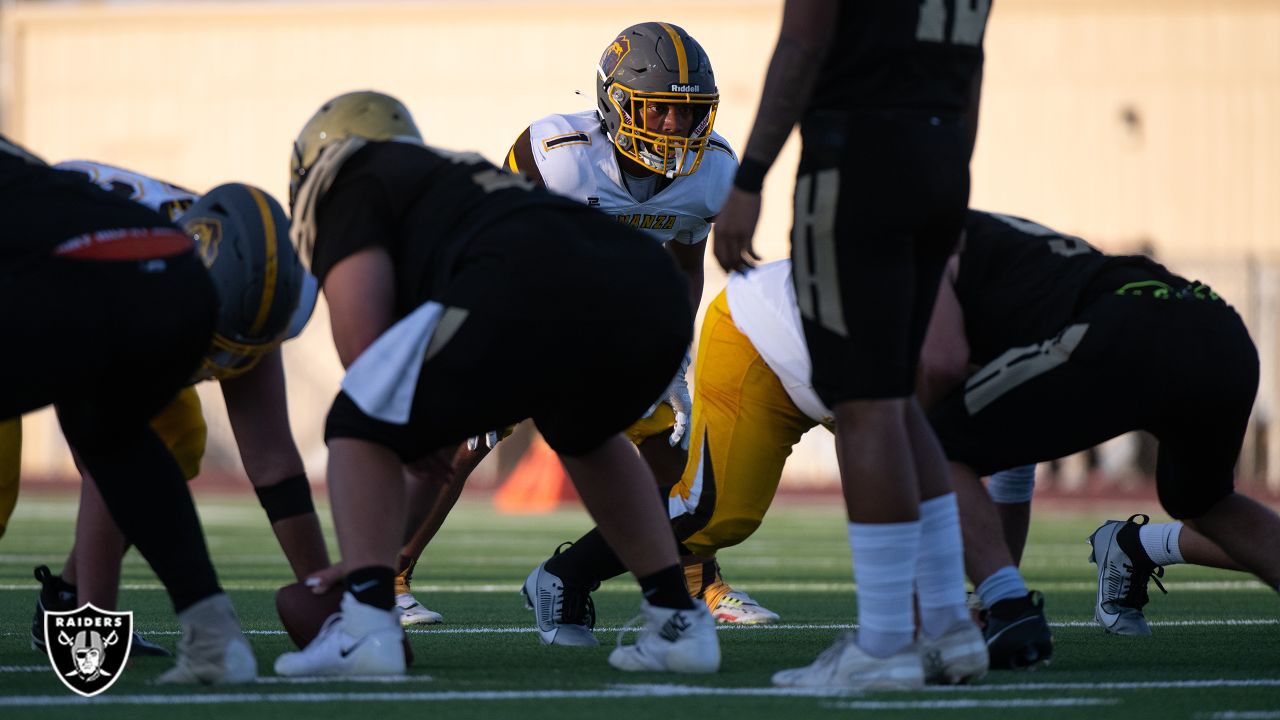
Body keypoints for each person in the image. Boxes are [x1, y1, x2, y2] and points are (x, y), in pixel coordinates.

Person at [273, 90, 719, 677]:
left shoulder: (355, 178)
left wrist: (410, 436)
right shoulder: (454, 171)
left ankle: (363, 628)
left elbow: (369, 358)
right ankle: (676, 622)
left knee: (359, 419)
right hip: (648, 287)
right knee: (584, 432)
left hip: (523, 285)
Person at [388, 22, 780, 633]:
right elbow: (500, 256)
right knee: (463, 438)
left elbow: (684, 266)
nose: (675, 126)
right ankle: (389, 578)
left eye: (689, 111)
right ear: (618, 102)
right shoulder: (559, 156)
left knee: (676, 449)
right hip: (523, 307)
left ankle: (698, 579)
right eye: (659, 108)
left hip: (616, 324)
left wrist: (674, 354)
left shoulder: (712, 173)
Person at [713, 0, 992, 690]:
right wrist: (955, 169)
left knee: (864, 401)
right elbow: (973, 62)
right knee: (894, 396)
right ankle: (950, 631)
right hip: (943, 152)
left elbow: (804, 38)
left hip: (861, 155)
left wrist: (749, 177)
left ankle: (887, 642)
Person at [921, 210, 1280, 644]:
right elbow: (1014, 471)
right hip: (1214, 324)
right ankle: (1003, 607)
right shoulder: (1003, 248)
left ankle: (1009, 611)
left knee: (930, 441)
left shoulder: (916, 234)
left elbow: (940, 364)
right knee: (1207, 503)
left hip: (1120, 326)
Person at [22, 163, 328, 658]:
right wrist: (92, 642)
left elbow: (273, 459)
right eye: (216, 346)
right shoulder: (127, 285)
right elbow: (107, 456)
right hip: (27, 285)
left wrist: (326, 601)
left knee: (177, 438)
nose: (223, 366)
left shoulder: (256, 278)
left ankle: (66, 603)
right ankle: (80, 615)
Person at [0, 136, 255, 684]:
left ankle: (85, 611)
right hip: (179, 270)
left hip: (73, 277)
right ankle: (215, 640)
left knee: (110, 433)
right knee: (113, 435)